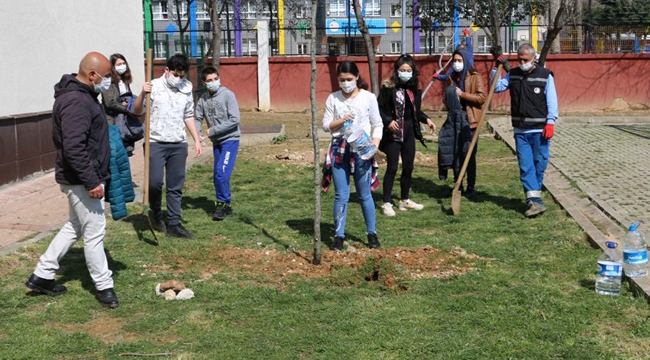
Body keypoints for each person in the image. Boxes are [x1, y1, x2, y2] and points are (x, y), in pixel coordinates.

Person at [25, 52, 119, 308]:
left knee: (75, 227)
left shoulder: (85, 96)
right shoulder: (77, 101)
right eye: (107, 76)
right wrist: (92, 182)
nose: (109, 80)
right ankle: (104, 287)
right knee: (95, 231)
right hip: (81, 179)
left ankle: (43, 274)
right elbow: (74, 148)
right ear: (92, 75)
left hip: (79, 176)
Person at [132, 54, 203, 238]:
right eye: (175, 74)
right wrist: (142, 93)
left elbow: (188, 115)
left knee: (175, 186)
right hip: (155, 142)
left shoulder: (186, 88)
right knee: (155, 183)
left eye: (182, 75)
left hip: (178, 143)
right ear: (166, 71)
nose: (178, 79)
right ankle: (157, 213)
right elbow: (137, 111)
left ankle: (174, 224)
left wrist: (195, 138)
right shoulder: (153, 86)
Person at [321, 60, 383, 250]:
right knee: (341, 195)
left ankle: (371, 233)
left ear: (357, 77)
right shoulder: (333, 98)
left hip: (362, 149)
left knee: (364, 195)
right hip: (340, 148)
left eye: (349, 79)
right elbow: (325, 125)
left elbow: (377, 123)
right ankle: (339, 236)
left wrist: (374, 145)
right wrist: (341, 121)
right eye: (342, 80)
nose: (346, 83)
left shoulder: (369, 98)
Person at [493, 43, 558, 217]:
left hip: (540, 130)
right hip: (521, 130)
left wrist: (550, 122)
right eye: (519, 59)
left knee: (539, 163)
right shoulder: (513, 74)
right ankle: (534, 201)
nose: (522, 62)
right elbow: (497, 88)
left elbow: (551, 100)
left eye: (525, 59)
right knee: (525, 165)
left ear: (534, 58)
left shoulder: (545, 76)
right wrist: (496, 68)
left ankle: (534, 199)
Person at [377, 54, 436, 216]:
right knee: (393, 167)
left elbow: (415, 111)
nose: (405, 72)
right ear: (397, 71)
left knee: (408, 166)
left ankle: (404, 200)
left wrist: (427, 119)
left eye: (408, 70)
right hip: (393, 132)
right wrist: (388, 121)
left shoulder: (414, 90)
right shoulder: (388, 88)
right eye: (402, 70)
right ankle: (387, 202)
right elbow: (378, 108)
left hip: (410, 131)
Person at [195, 66, 241, 221]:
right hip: (217, 143)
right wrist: (198, 134)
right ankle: (223, 203)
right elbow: (197, 117)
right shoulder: (203, 99)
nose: (213, 82)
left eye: (215, 79)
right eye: (209, 80)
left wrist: (212, 130)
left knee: (221, 173)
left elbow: (235, 120)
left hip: (230, 140)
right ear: (204, 82)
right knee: (217, 175)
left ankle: (224, 204)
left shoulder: (228, 95)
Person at [441, 49, 486, 197]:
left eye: (459, 60)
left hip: (470, 120)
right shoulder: (452, 77)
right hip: (455, 119)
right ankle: (458, 184)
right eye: (454, 61)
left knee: (468, 153)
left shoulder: (474, 77)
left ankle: (471, 186)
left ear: (465, 61)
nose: (456, 63)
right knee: (456, 151)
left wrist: (462, 94)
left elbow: (481, 98)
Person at [102, 53, 143, 156]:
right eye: (119, 64)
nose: (122, 66)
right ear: (113, 67)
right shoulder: (108, 81)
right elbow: (110, 102)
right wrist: (124, 108)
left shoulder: (124, 80)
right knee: (115, 149)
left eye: (123, 63)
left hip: (125, 119)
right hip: (113, 119)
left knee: (127, 148)